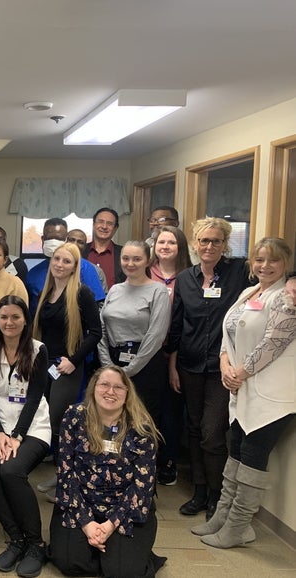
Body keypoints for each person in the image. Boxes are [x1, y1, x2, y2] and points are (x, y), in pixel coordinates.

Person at [193, 239, 296, 549]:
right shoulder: (248, 293)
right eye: (259, 259)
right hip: (243, 390)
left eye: (273, 261)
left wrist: (239, 373)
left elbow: (273, 343)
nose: (264, 266)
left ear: (285, 264)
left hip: (271, 394)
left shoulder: (287, 298)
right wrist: (225, 363)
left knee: (252, 456)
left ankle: (239, 525)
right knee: (235, 449)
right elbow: (229, 333)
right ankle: (223, 516)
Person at [167, 217, 253, 520]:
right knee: (193, 427)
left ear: (225, 244)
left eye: (216, 241)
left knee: (212, 433)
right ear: (195, 243)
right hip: (189, 364)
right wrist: (173, 367)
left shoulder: (240, 274)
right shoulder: (185, 278)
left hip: (221, 367)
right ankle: (200, 491)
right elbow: (177, 326)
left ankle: (217, 494)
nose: (209, 246)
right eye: (204, 240)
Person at [49, 366, 166, 578]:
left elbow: (143, 486)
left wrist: (109, 526)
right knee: (70, 563)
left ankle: (122, 552)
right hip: (81, 502)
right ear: (93, 387)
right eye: (104, 384)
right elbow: (66, 473)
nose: (110, 392)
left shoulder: (141, 427)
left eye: (118, 387)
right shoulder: (74, 417)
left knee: (123, 572)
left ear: (127, 394)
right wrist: (86, 523)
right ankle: (101, 548)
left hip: (125, 507)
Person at [0, 295, 52, 577]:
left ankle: (36, 544)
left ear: (25, 320)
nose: (9, 322)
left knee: (11, 471)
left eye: (15, 317)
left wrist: (18, 435)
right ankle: (16, 538)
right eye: (4, 317)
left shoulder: (38, 349)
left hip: (32, 426)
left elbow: (35, 396)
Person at [33, 243, 101, 470]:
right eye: (56, 259)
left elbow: (95, 333)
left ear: (74, 267)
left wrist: (74, 360)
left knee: (59, 422)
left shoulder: (82, 293)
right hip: (44, 365)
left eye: (66, 261)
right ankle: (60, 474)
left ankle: (68, 476)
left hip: (66, 367)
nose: (59, 264)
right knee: (43, 420)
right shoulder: (47, 293)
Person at [98, 241, 171, 428]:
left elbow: (156, 334)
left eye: (137, 259)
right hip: (114, 360)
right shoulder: (115, 290)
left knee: (143, 421)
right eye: (126, 258)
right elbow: (102, 329)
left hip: (145, 364)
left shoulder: (158, 291)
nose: (130, 263)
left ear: (147, 261)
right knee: (114, 418)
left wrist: (130, 369)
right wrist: (109, 366)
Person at [149, 225, 191, 486]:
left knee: (172, 412)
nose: (165, 246)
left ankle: (168, 462)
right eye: (161, 242)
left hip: (178, 353)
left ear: (180, 248)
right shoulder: (144, 272)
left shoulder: (190, 277)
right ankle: (146, 461)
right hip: (148, 354)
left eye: (171, 243)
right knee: (148, 410)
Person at [26, 219, 105, 319]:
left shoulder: (84, 268)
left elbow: (97, 306)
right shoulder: (33, 274)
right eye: (50, 238)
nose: (53, 242)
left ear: (65, 240)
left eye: (58, 239)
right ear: (43, 239)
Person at [83, 207, 124, 290]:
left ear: (115, 228)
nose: (104, 226)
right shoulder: (80, 251)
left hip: (114, 301)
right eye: (100, 222)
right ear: (94, 225)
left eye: (109, 223)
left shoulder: (124, 254)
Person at [66, 229, 107, 293]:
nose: (75, 244)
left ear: (85, 247)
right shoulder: (56, 265)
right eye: (71, 240)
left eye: (80, 242)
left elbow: (101, 301)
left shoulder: (96, 271)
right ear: (65, 242)